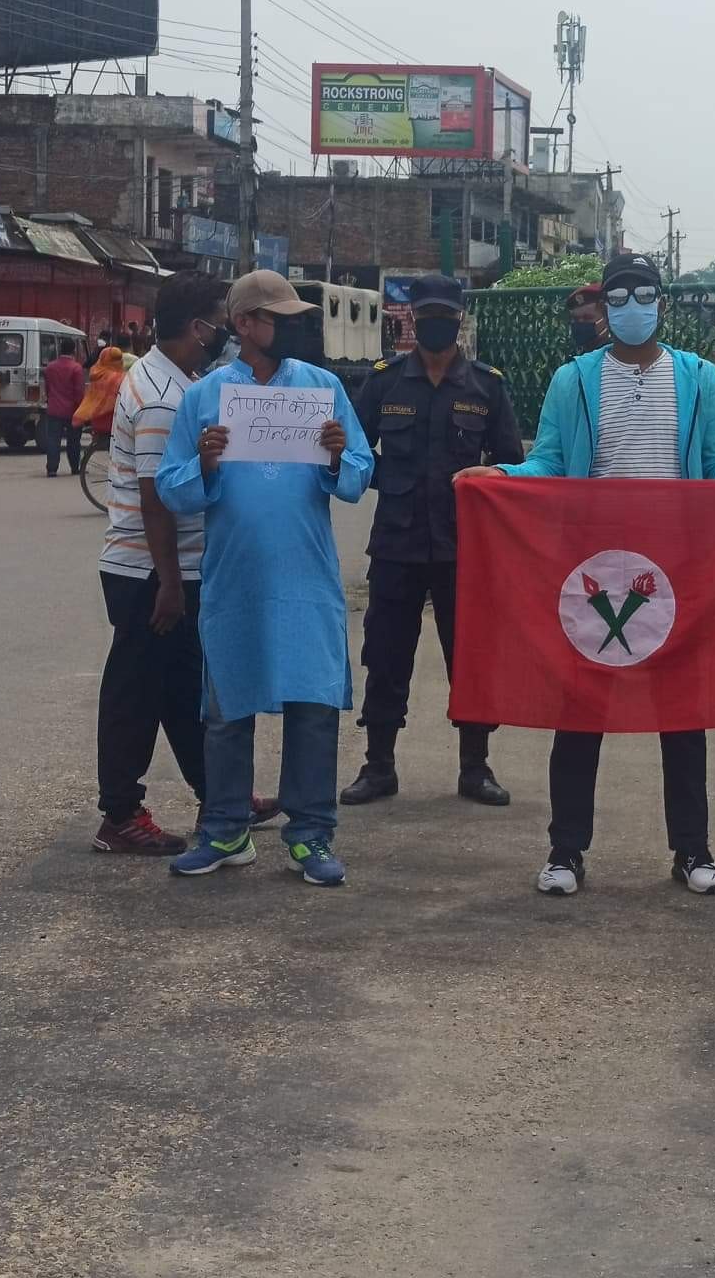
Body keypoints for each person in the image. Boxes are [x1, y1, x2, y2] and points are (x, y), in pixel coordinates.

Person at [491, 251, 715, 899]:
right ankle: (566, 850)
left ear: (663, 300)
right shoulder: (573, 379)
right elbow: (547, 460)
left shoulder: (698, 376)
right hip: (594, 564)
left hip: (674, 563)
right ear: (605, 305)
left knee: (682, 711)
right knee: (580, 712)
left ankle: (692, 849)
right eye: (619, 295)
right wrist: (502, 477)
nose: (632, 306)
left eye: (644, 293)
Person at [157, 270, 372, 887]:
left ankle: (310, 834)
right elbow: (173, 490)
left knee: (313, 705)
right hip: (235, 578)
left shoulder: (323, 388)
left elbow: (359, 474)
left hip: (307, 576)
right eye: (279, 316)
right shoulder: (206, 398)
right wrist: (204, 458)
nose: (294, 326)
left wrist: (336, 451)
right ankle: (225, 828)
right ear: (244, 323)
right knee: (227, 707)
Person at [342, 277, 525, 810]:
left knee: (469, 658)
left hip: (464, 547)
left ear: (460, 319)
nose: (436, 324)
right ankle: (379, 766)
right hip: (396, 542)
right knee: (385, 655)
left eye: (446, 314)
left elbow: (511, 463)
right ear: (411, 321)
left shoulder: (487, 386)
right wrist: (390, 480)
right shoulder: (385, 381)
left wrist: (487, 477)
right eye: (426, 315)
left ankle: (475, 767)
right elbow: (354, 450)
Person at [93, 278, 221, 856]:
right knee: (136, 692)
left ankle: (219, 794)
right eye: (218, 321)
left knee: (179, 686)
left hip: (160, 567)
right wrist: (169, 583)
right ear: (198, 327)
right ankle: (120, 812)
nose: (223, 332)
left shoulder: (165, 376)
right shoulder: (164, 397)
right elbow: (155, 496)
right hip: (151, 569)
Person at [41, 338, 89, 479]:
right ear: (73, 350)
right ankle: (75, 467)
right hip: (72, 410)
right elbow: (79, 392)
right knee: (74, 441)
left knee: (53, 440)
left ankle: (52, 469)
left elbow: (48, 389)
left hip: (54, 409)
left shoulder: (50, 367)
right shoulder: (76, 368)